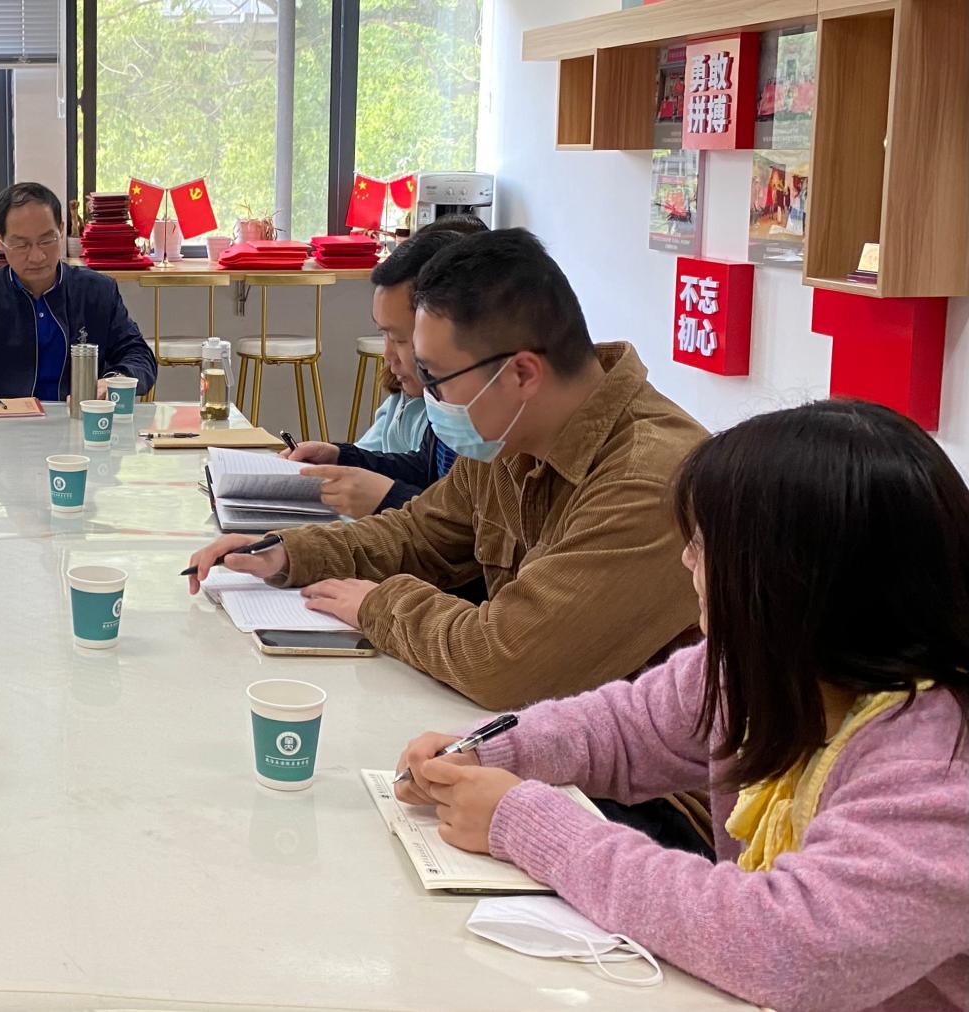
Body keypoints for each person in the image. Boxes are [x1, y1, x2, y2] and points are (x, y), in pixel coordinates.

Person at [393, 401, 969, 1012]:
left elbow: (786, 947)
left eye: (703, 544)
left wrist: (526, 823)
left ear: (790, 580)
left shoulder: (935, 768)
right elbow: (623, 728)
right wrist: (494, 748)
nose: (688, 561)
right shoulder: (757, 667)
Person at [188, 228, 709, 711]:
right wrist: (286, 553)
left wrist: (379, 606)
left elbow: (504, 661)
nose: (427, 395)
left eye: (436, 376)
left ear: (521, 373)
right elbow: (421, 533)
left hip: (634, 774)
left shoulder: (651, 482)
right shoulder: (512, 436)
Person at [280, 216, 487, 517]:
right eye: (383, 334)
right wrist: (342, 457)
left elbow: (467, 525)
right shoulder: (446, 398)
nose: (388, 354)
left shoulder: (487, 413)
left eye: (400, 339)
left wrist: (389, 497)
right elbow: (427, 471)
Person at [0, 181, 158, 406]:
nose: (37, 256)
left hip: (81, 426)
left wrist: (114, 381)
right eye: (21, 244)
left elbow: (139, 355)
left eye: (47, 240)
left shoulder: (97, 292)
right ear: (0, 240)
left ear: (61, 230)